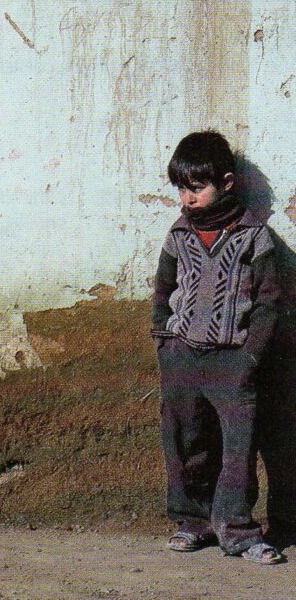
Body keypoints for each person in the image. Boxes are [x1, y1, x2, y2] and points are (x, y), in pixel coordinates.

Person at [151, 130, 284, 564]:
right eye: (181, 189)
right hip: (183, 357)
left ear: (226, 183)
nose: (187, 198)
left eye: (196, 188)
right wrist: (164, 342)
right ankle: (193, 522)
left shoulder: (255, 237)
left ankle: (239, 531)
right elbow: (163, 290)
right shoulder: (177, 236)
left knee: (237, 450)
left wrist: (250, 357)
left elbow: (269, 303)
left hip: (234, 360)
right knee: (186, 441)